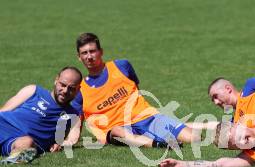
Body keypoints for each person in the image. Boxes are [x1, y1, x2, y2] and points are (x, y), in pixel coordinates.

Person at [69, 32, 199, 148]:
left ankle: (157, 136)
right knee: (116, 130)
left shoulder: (121, 66)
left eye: (92, 51)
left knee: (194, 138)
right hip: (120, 129)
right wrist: (67, 142)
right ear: (79, 57)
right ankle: (158, 144)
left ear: (101, 52)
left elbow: (136, 89)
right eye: (84, 53)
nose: (89, 56)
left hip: (147, 117)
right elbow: (76, 122)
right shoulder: (80, 89)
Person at [0, 67, 82, 164]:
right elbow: (4, 110)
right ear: (56, 80)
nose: (65, 90)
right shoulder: (33, 91)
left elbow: (72, 139)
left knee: (27, 143)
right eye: (62, 85)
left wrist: (60, 144)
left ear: (78, 90)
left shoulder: (73, 116)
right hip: (3, 124)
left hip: (19, 140)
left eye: (71, 88)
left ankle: (13, 160)